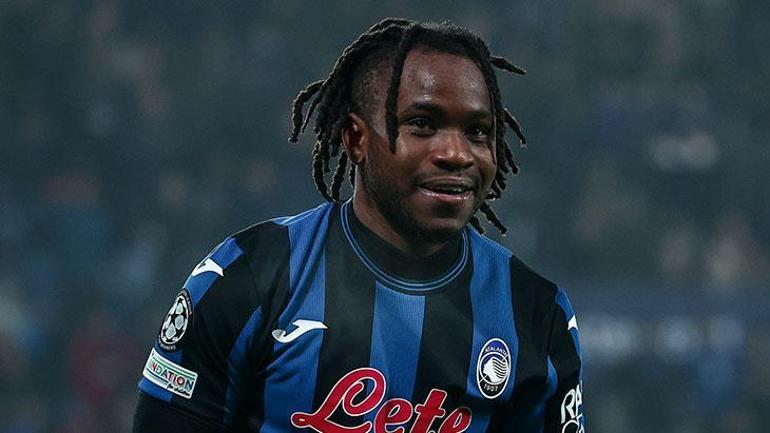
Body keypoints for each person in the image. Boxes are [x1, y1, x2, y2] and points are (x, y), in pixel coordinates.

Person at [133, 18, 584, 433]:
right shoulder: (247, 276)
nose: (456, 153)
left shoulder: (537, 314)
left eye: (477, 131)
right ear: (356, 138)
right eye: (422, 124)